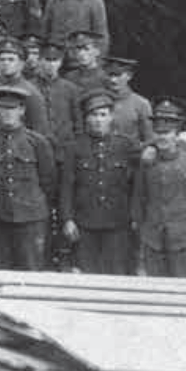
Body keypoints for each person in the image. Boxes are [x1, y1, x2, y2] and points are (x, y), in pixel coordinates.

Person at [58, 88, 140, 275]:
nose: (98, 120)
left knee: (117, 272)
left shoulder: (126, 146)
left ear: (111, 117)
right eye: (93, 115)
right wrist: (68, 219)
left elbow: (137, 186)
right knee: (87, 272)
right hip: (85, 223)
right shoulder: (74, 147)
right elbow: (67, 187)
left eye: (103, 115)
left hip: (118, 222)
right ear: (86, 118)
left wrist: (134, 216)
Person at [132, 102, 186, 278]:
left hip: (184, 242)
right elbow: (139, 200)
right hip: (153, 241)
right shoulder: (147, 164)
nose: (162, 137)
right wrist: (142, 236)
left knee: (183, 293)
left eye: (167, 133)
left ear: (177, 136)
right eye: (158, 133)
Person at [0, 83, 56, 270]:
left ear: (22, 110)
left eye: (12, 108)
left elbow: (49, 181)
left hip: (30, 217)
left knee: (31, 269)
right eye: (2, 108)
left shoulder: (37, 142)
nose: (7, 113)